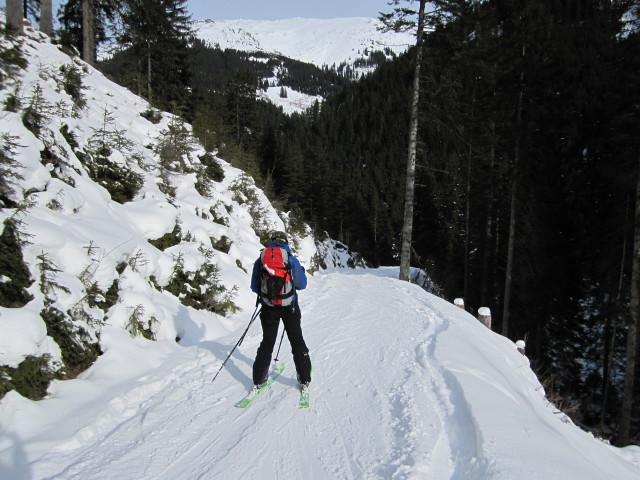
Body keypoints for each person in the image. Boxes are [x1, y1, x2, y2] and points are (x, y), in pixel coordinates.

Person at [250, 231, 312, 393]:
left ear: (270, 242)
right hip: (289, 307)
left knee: (267, 342)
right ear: (285, 242)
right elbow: (301, 285)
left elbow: (254, 287)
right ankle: (304, 378)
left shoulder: (261, 260)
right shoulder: (290, 259)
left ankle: (259, 379)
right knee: (297, 340)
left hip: (268, 307)